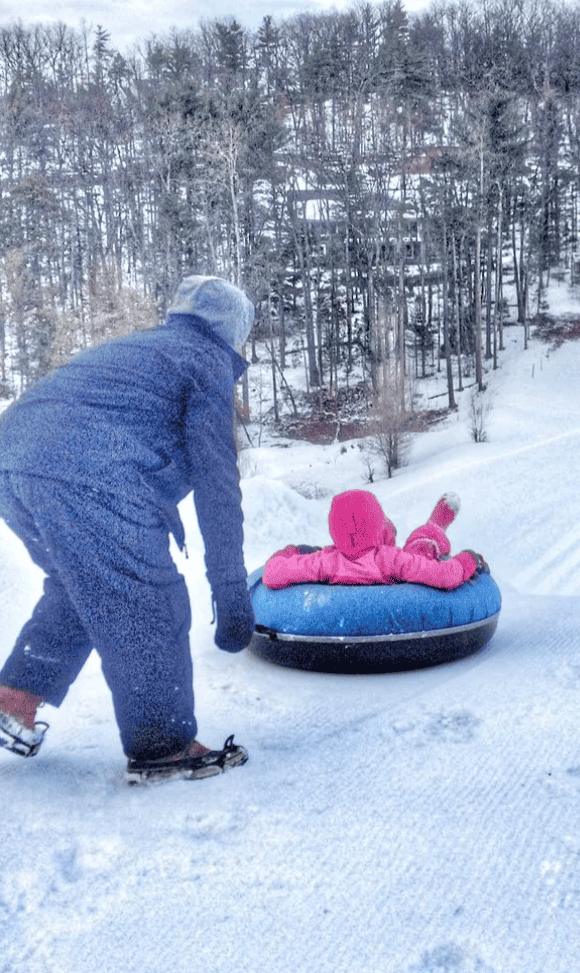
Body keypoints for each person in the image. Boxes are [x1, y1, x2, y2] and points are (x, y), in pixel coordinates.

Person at [0, 275, 256, 784]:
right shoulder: (206, 360)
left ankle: (15, 698)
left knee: (82, 586)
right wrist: (232, 598)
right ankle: (164, 747)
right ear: (232, 331)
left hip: (12, 458)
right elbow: (217, 488)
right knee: (146, 599)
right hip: (88, 468)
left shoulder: (145, 348)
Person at [263, 489, 488, 591]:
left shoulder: (324, 561)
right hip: (389, 563)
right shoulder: (392, 559)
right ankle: (434, 527)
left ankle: (387, 531)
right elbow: (444, 575)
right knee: (421, 546)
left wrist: (289, 551)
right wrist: (469, 559)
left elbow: (272, 573)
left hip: (359, 552)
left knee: (405, 549)